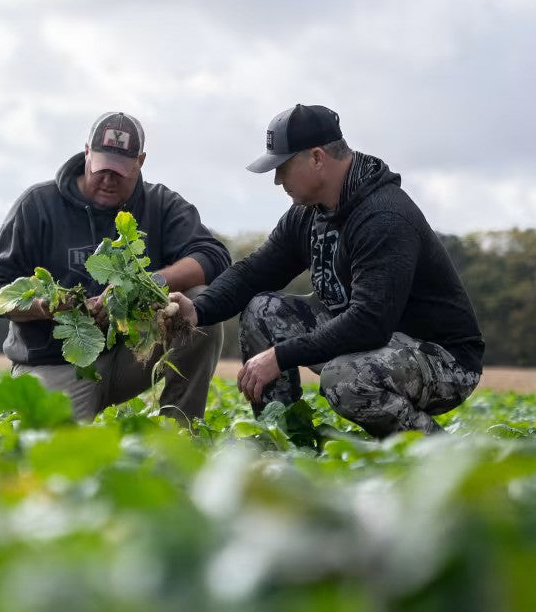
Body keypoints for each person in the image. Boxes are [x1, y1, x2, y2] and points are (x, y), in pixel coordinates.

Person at [168, 104, 484, 437]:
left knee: (345, 378)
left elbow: (370, 322)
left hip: (442, 359)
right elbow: (254, 272)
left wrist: (281, 356)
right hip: (376, 339)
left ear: (317, 158)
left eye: (283, 168)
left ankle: (442, 455)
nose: (277, 180)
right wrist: (197, 311)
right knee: (262, 310)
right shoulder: (308, 212)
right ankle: (286, 438)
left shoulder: (384, 217)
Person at [0, 111, 230, 423]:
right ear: (87, 154)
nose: (109, 180)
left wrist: (143, 284)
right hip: (55, 363)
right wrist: (47, 306)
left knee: (198, 305)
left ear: (140, 161)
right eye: (102, 169)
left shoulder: (160, 204)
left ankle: (179, 434)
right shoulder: (38, 205)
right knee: (53, 452)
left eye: (120, 171)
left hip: (130, 354)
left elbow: (213, 255)